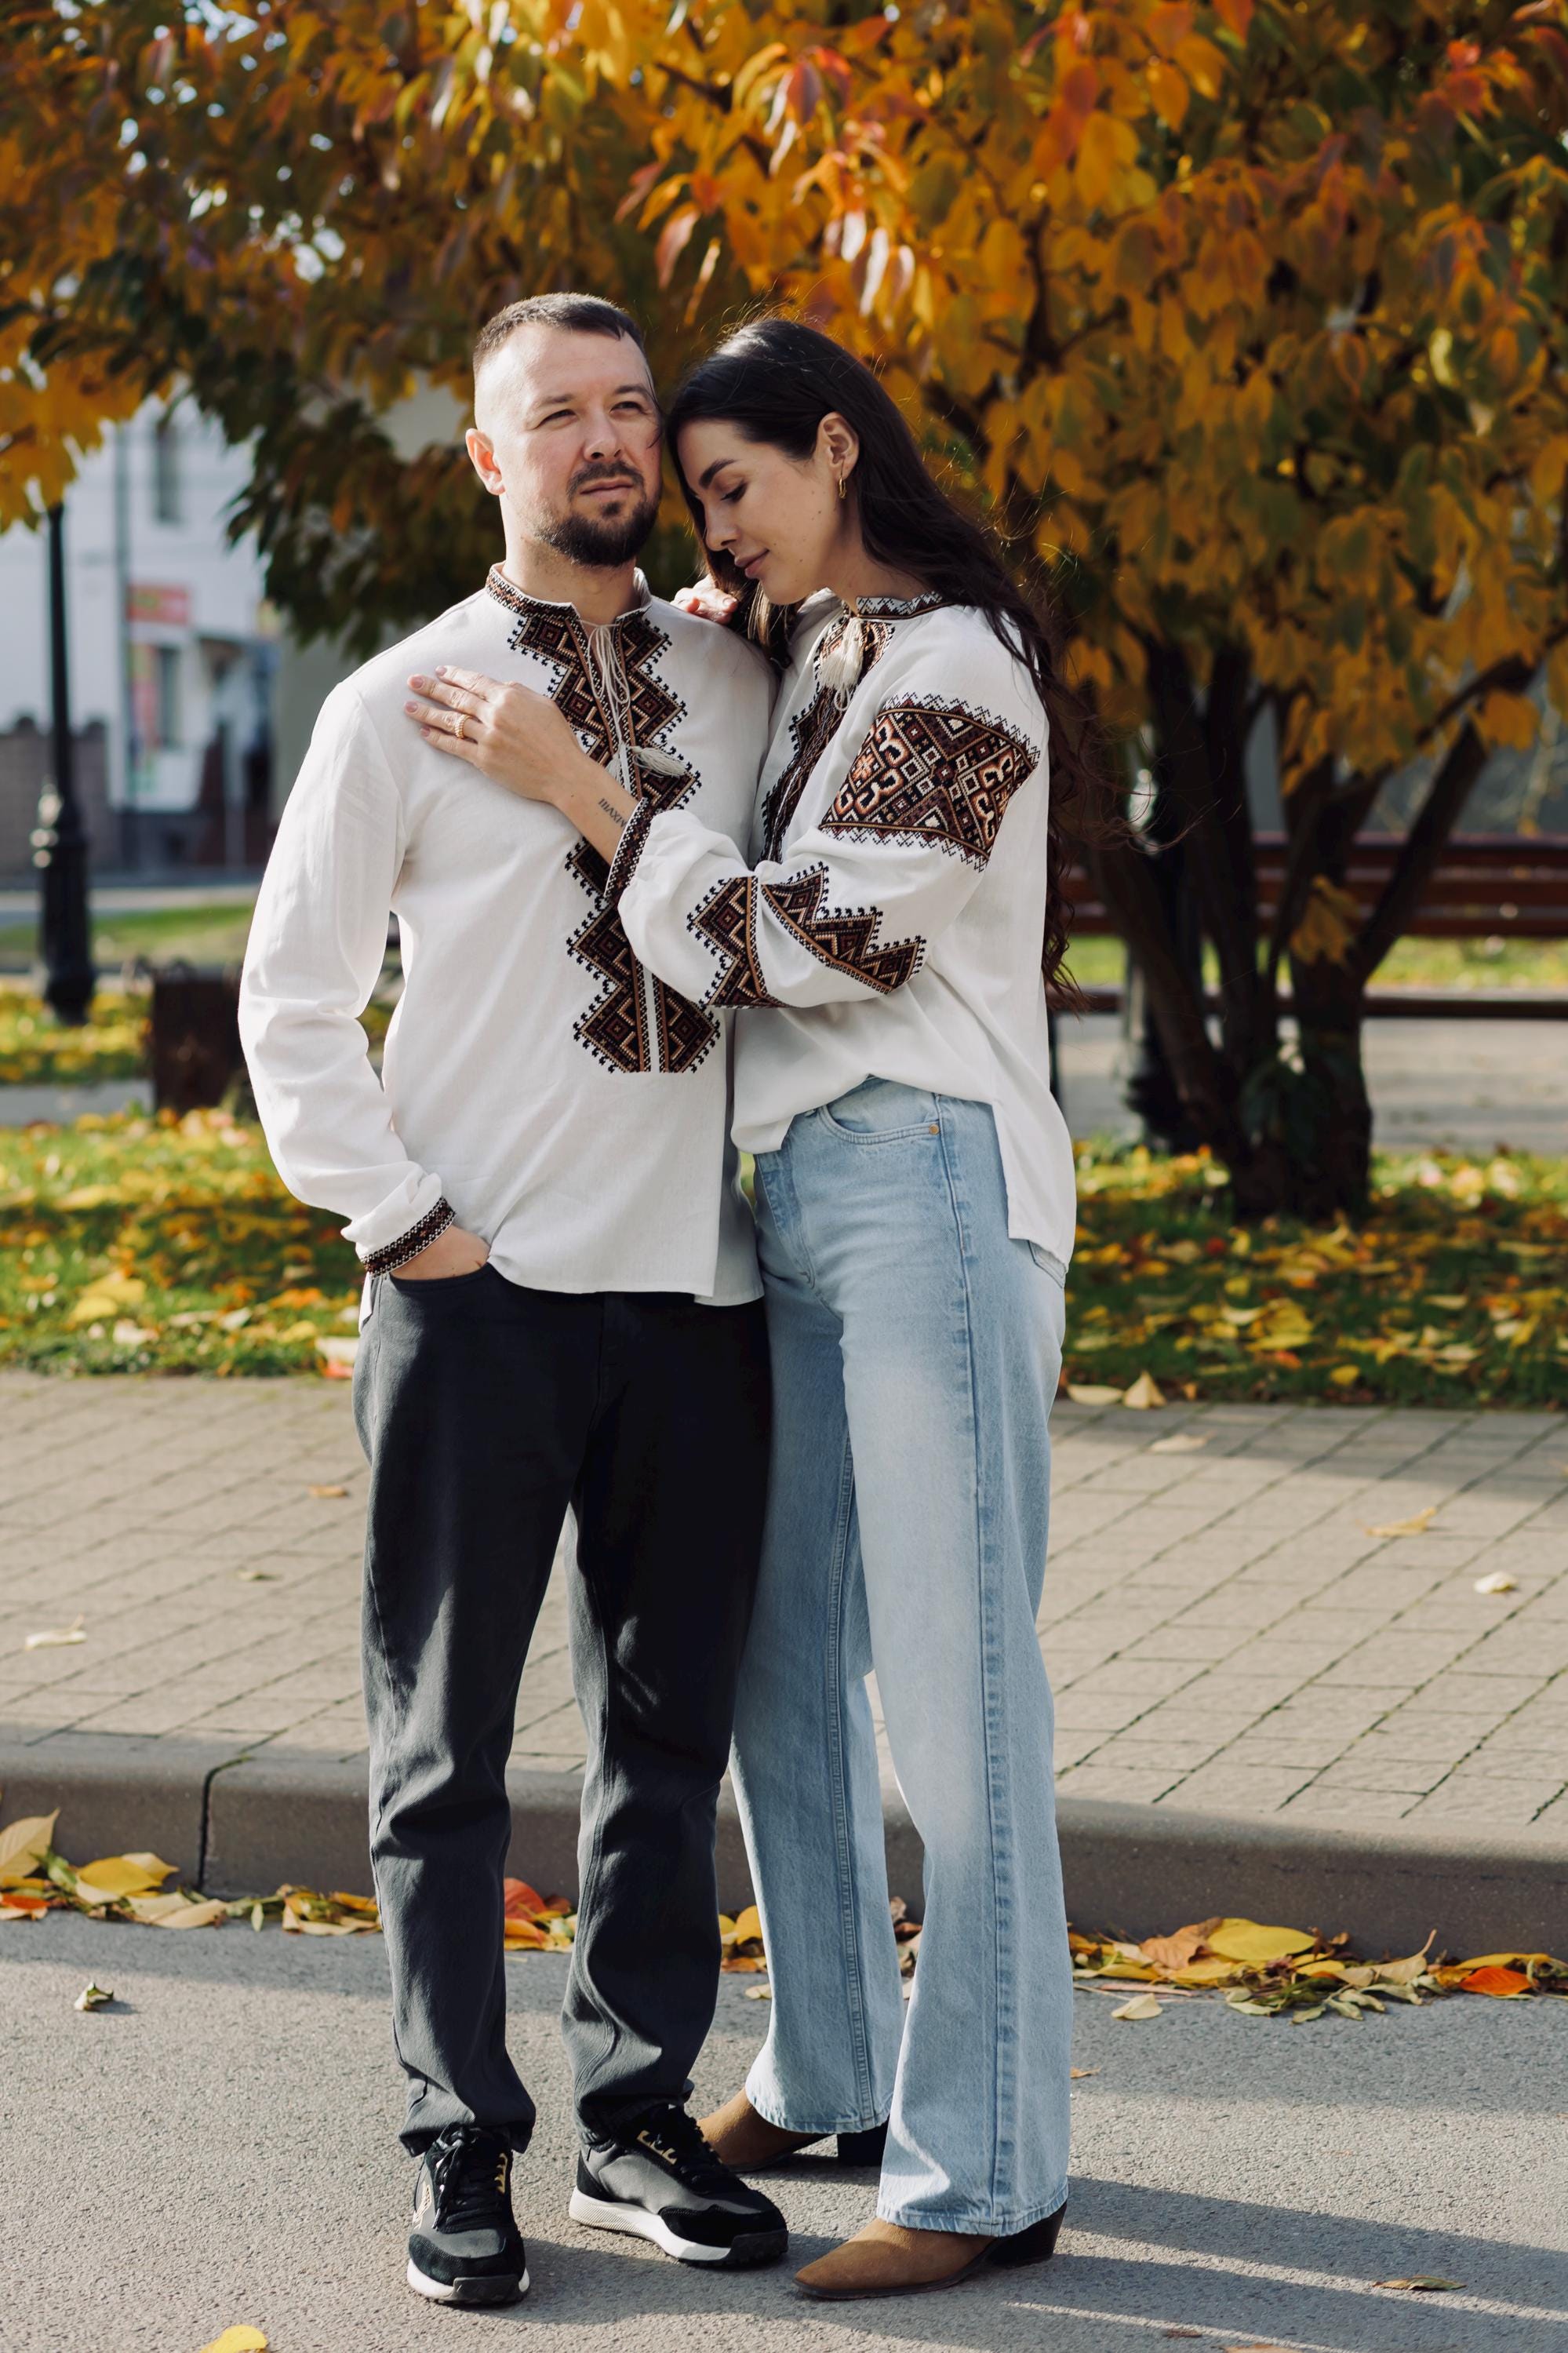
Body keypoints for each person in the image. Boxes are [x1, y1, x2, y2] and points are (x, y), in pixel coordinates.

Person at [404, 313, 1113, 2303]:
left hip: (931, 1191)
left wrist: (595, 795)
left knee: (957, 1704)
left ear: (835, 450)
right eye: (694, 496)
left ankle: (986, 2175)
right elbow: (734, 667)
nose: (718, 529)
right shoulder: (819, 650)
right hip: (794, 1204)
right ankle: (822, 2067)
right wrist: (724, 601)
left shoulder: (959, 670)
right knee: (781, 1668)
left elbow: (817, 946)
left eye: (737, 486)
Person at [239, 293, 791, 2308]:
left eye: (630, 408)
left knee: (666, 1739)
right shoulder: (395, 699)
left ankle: (637, 2121)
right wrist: (404, 1230)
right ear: (487, 458)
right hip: (477, 1303)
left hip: (695, 1295)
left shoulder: (741, 688)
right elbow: (285, 1004)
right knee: (444, 1749)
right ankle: (456, 2141)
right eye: (554, 414)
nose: (603, 441)